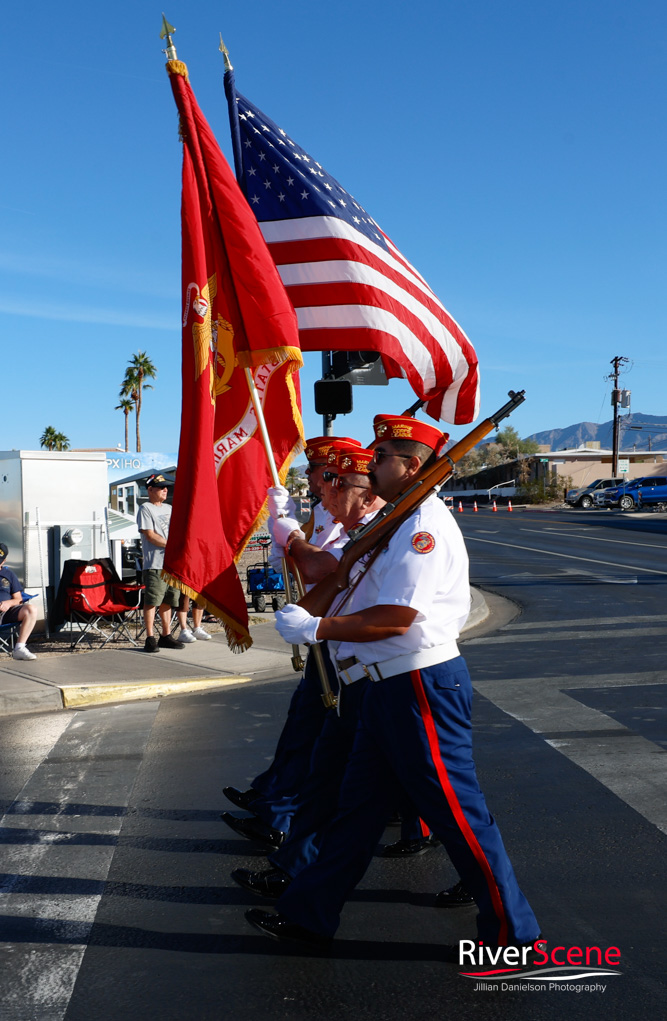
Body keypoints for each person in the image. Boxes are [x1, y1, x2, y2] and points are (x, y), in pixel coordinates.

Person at [246, 414, 541, 961]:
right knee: (356, 812)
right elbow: (345, 581)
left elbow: (398, 615)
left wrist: (319, 628)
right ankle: (310, 917)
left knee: (457, 812)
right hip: (382, 687)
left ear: (409, 466)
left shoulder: (423, 524)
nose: (371, 464)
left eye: (381, 457)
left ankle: (514, 933)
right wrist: (312, 608)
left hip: (419, 684)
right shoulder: (392, 523)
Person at [221, 436, 360, 843]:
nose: (314, 481)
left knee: (332, 744)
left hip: (343, 642)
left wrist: (293, 535)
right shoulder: (323, 512)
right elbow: (300, 565)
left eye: (319, 473)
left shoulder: (353, 520)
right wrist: (285, 531)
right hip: (324, 638)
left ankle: (279, 816)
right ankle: (274, 806)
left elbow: (320, 568)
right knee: (306, 729)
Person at [136, 474, 185, 653]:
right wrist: (172, 546)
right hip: (155, 564)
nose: (165, 490)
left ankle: (166, 635)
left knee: (169, 600)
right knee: (152, 601)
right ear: (150, 490)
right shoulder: (145, 508)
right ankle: (149, 637)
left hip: (172, 563)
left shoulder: (170, 508)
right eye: (161, 487)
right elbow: (150, 535)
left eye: (166, 487)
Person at [0, 543, 38, 661]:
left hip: (5, 613)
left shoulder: (8, 574)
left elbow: (18, 599)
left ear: (4, 561)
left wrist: (8, 603)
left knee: (31, 609)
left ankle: (19, 649)